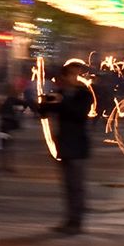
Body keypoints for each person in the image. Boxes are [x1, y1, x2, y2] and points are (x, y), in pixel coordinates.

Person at [40, 62, 94, 234]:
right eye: (71, 74)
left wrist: (62, 102)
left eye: (77, 74)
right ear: (64, 76)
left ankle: (76, 222)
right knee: (68, 185)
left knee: (76, 185)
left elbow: (79, 114)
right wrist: (44, 102)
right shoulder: (59, 93)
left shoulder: (84, 94)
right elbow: (43, 112)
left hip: (77, 146)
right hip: (63, 145)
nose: (75, 77)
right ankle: (69, 219)